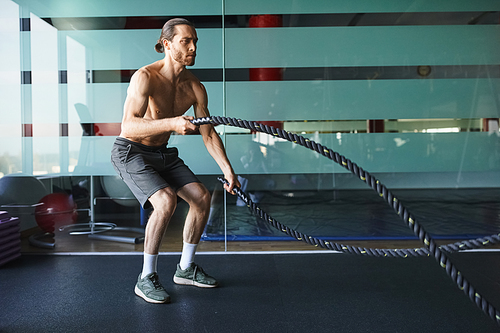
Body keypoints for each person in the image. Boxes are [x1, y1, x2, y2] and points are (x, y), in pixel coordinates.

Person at [110, 18, 239, 304]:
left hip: (163, 155)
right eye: (186, 42)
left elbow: (208, 133)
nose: (193, 47)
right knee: (166, 201)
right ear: (167, 45)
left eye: (195, 42)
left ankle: (185, 269)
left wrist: (228, 170)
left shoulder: (195, 87)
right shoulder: (145, 77)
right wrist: (170, 123)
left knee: (201, 197)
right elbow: (128, 126)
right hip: (131, 151)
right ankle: (145, 277)